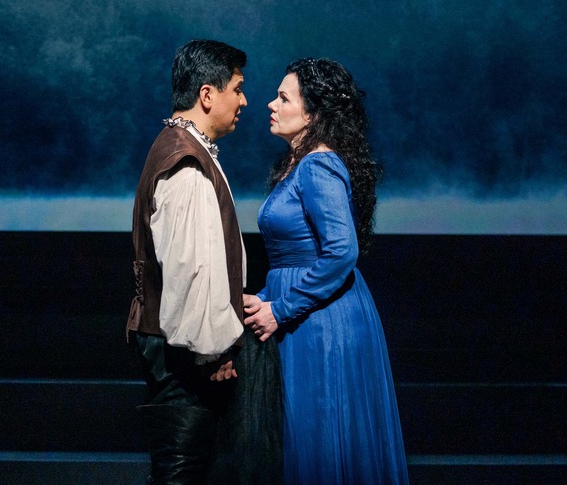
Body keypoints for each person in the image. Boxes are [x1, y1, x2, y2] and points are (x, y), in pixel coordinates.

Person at [243, 57, 408, 484]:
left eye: (284, 98)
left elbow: (340, 252)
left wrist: (280, 309)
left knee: (321, 440)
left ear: (313, 115)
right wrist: (265, 298)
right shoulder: (299, 165)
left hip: (322, 324)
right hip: (306, 314)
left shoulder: (318, 165)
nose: (271, 105)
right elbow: (296, 254)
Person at [127, 39, 250, 484]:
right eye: (237, 89)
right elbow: (190, 271)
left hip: (180, 351)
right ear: (207, 94)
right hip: (184, 356)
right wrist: (213, 351)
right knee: (180, 473)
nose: (243, 101)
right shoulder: (185, 163)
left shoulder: (183, 149)